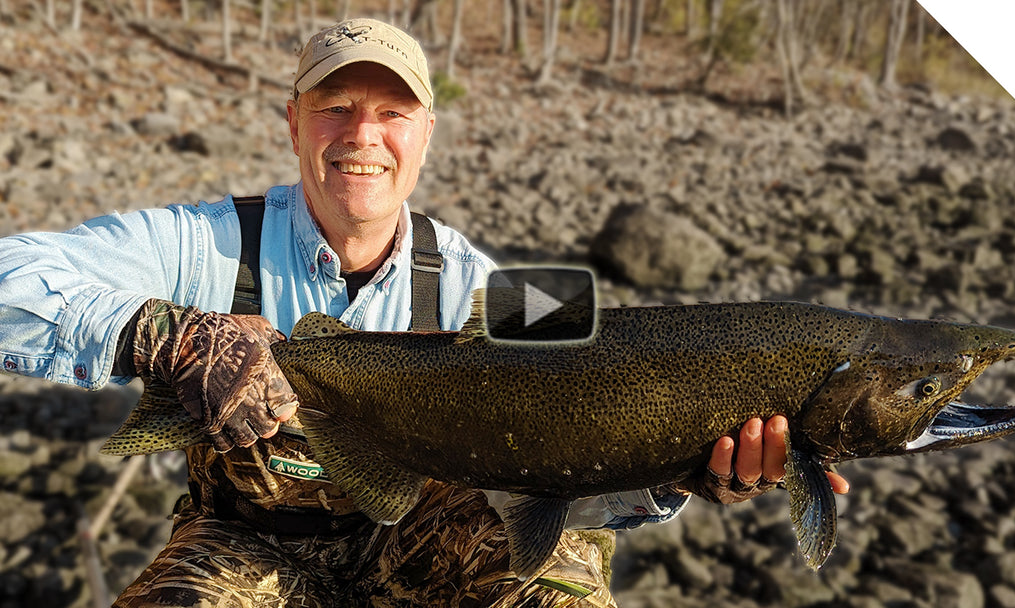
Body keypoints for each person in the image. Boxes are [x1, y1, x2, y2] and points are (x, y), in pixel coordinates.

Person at [0, 17, 846, 607]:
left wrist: (677, 469)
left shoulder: (497, 287)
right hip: (245, 545)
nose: (363, 135)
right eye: (336, 108)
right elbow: (13, 275)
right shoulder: (203, 245)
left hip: (428, 543)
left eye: (391, 113)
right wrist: (164, 336)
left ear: (425, 133)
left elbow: (585, 436)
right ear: (294, 122)